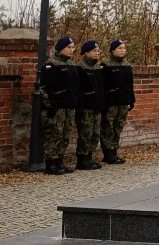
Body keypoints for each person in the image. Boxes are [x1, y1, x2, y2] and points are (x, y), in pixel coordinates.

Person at [40, 36, 78, 175]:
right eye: (68, 47)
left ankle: (59, 161)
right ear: (60, 48)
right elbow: (45, 88)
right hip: (56, 107)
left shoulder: (72, 65)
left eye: (73, 47)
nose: (71, 50)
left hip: (69, 106)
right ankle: (51, 163)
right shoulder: (51, 64)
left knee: (65, 135)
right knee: (53, 135)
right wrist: (50, 105)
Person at [100, 39, 134, 165]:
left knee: (118, 127)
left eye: (124, 48)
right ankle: (107, 153)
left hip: (123, 101)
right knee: (108, 127)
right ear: (113, 50)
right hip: (111, 102)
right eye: (120, 48)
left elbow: (130, 85)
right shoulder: (106, 65)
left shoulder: (126, 65)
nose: (123, 50)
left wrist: (131, 99)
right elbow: (102, 86)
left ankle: (114, 151)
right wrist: (103, 102)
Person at [74, 40, 105, 170]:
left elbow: (101, 87)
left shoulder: (98, 68)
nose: (97, 53)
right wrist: (79, 106)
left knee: (95, 133)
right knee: (85, 133)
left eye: (98, 51)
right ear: (86, 52)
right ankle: (82, 158)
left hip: (96, 106)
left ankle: (89, 157)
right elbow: (78, 89)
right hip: (85, 106)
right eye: (94, 51)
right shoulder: (80, 68)